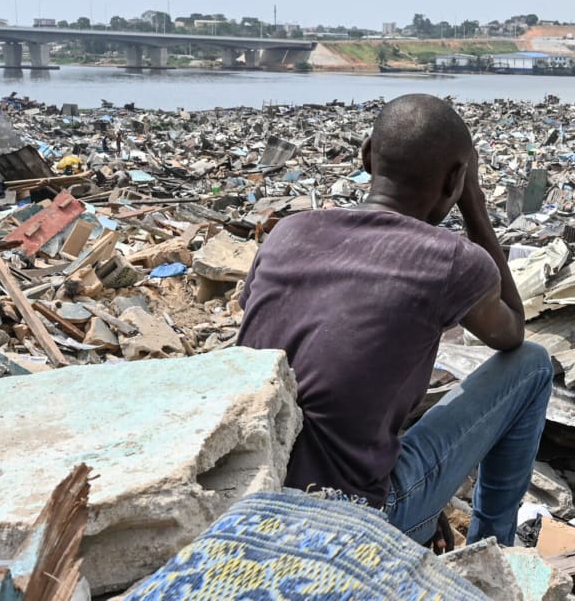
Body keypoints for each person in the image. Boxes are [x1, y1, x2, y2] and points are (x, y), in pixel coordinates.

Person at [237, 93, 553, 547]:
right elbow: (512, 332)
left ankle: (422, 515)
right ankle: (492, 549)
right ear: (454, 181)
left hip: (252, 493)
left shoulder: (289, 231)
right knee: (534, 365)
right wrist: (474, 205)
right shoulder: (453, 261)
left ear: (366, 155)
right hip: (355, 517)